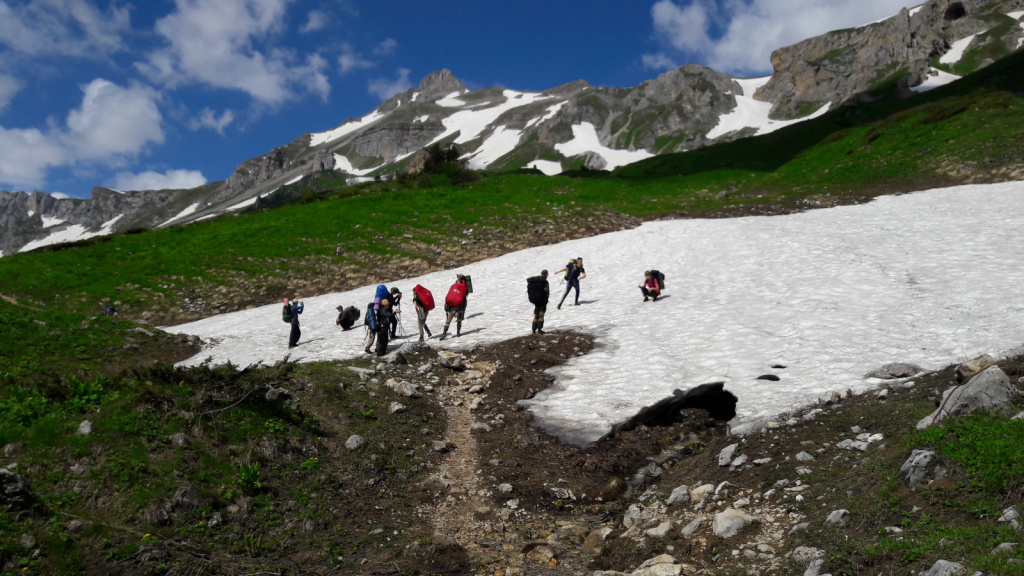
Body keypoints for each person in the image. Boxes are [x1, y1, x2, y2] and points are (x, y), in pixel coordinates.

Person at [441, 274, 468, 340]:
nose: (457, 278)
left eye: (458, 277)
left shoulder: (459, 287)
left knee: (457, 320)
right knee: (449, 321)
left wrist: (463, 308)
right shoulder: (457, 286)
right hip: (453, 307)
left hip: (457, 307)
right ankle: (445, 334)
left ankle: (456, 333)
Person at [527, 269, 550, 334]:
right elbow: (546, 290)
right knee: (541, 315)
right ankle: (539, 329)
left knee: (536, 315)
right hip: (542, 301)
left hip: (536, 301)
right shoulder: (545, 282)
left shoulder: (535, 282)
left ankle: (533, 329)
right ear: (546, 274)